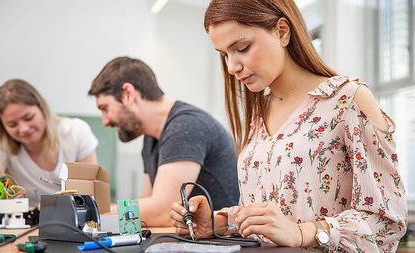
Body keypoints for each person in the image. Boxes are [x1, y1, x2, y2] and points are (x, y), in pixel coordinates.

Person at [170, 0, 408, 251]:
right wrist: (216, 223)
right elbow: (270, 215)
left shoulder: (348, 100)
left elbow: (386, 221)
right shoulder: (259, 114)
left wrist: (303, 233)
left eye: (242, 48)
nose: (232, 67)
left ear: (282, 32)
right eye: (224, 55)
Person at [88, 56, 239, 226]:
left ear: (128, 94)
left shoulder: (185, 126)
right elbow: (146, 209)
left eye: (105, 108)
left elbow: (162, 213)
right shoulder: (151, 138)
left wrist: (90, 211)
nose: (105, 121)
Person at [0, 79, 98, 207]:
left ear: (42, 109)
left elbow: (91, 198)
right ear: (2, 126)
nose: (23, 129)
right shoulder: (0, 143)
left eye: (29, 118)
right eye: (12, 124)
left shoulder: (76, 132)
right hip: (28, 223)